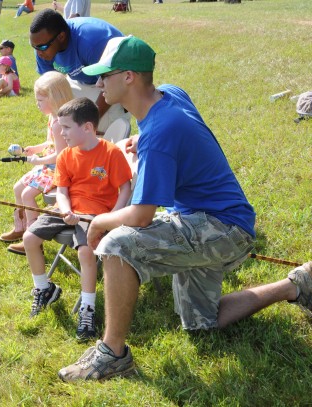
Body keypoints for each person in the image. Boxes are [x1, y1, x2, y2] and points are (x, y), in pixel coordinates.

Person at [57, 35, 312, 382]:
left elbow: (141, 216)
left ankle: (112, 354)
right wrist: (141, 138)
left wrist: (99, 220)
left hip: (221, 228)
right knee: (200, 325)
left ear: (129, 76)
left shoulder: (159, 134)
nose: (99, 83)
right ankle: (295, 284)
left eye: (106, 75)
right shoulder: (169, 94)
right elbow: (178, 129)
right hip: (218, 219)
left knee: (116, 244)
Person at [18, 97, 132, 341]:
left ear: (88, 128)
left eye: (67, 127)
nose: (61, 133)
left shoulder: (111, 153)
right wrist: (65, 209)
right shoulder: (66, 156)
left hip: (95, 216)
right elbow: (61, 190)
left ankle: (87, 309)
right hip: (67, 211)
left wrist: (113, 217)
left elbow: (125, 188)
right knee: (29, 238)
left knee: (85, 253)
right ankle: (44, 288)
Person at [0, 71, 73, 245]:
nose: (37, 104)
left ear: (55, 99)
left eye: (40, 101)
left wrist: (38, 160)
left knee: (27, 195)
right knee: (18, 188)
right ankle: (20, 227)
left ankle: (32, 240)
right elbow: (52, 142)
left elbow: (61, 155)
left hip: (59, 169)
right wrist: (37, 148)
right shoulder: (52, 117)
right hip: (48, 165)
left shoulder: (59, 124)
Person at [29, 9, 129, 135]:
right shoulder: (42, 45)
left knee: (105, 131)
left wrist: (90, 121)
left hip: (114, 78)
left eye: (42, 47)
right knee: (67, 121)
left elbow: (114, 81)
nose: (38, 52)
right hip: (79, 79)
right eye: (34, 47)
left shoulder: (91, 42)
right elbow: (51, 89)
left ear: (61, 36)